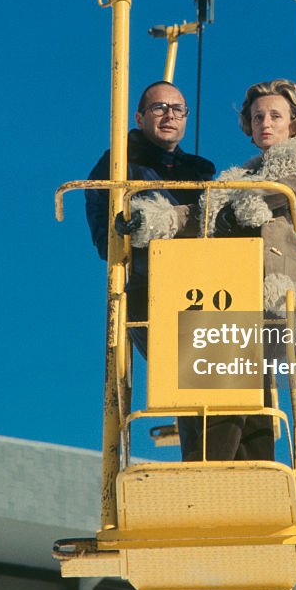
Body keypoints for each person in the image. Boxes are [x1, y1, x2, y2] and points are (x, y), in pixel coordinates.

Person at [184, 78, 296, 462]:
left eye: (274, 116)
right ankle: (241, 467)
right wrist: (156, 218)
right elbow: (203, 211)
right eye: (257, 118)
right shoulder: (240, 178)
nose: (265, 123)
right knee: (237, 381)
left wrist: (240, 198)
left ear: (294, 122)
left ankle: (230, 467)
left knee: (244, 381)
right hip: (234, 287)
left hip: (276, 285)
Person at [85, 80, 215, 459]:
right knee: (191, 373)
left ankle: (236, 462)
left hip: (204, 285)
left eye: (178, 109)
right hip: (151, 287)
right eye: (160, 108)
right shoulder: (118, 165)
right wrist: (125, 230)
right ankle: (202, 465)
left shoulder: (200, 172)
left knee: (232, 376)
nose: (170, 115)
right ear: (140, 116)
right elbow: (101, 232)